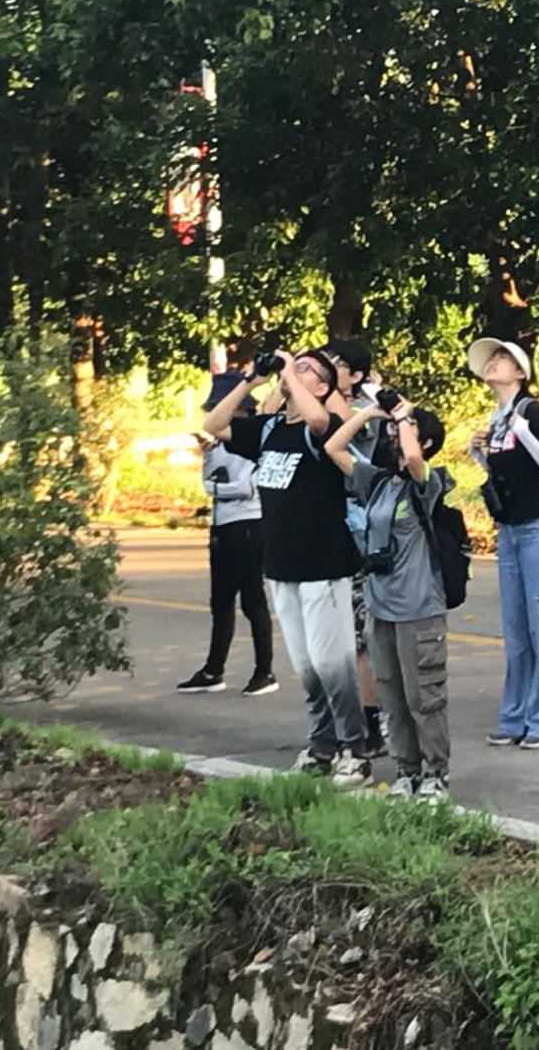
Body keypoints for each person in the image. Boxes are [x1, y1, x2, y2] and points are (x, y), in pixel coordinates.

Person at [203, 349, 371, 788]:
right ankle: (322, 747)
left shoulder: (323, 427)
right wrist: (251, 380)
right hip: (281, 566)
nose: (294, 371)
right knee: (306, 665)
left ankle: (355, 750)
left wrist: (289, 369)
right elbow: (214, 426)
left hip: (323, 564)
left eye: (307, 369)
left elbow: (317, 419)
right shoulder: (270, 429)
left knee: (333, 663)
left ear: (323, 387)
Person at [324, 394, 455, 801]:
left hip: (419, 608)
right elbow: (334, 448)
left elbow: (414, 459)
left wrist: (404, 417)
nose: (397, 434)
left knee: (423, 697)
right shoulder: (379, 482)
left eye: (408, 429)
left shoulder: (428, 483)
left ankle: (436, 773)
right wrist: (369, 412)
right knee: (392, 698)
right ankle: (407, 770)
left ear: (425, 440)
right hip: (381, 608)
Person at [468, 336, 539, 750]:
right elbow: (503, 475)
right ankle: (514, 718)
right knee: (516, 629)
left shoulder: (531, 412)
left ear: (520, 372)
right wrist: (480, 454)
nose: (493, 363)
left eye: (502, 358)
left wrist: (523, 432)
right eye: (491, 358)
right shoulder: (497, 418)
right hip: (509, 530)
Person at [178, 372, 278, 697]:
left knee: (252, 599)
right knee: (220, 601)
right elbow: (208, 484)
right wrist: (222, 486)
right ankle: (213, 670)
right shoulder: (215, 446)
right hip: (222, 524)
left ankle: (264, 671)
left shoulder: (256, 438)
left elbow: (249, 486)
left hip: (250, 523)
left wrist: (222, 488)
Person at [323, 336, 387, 757]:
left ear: (357, 374)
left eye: (336, 364)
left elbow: (343, 430)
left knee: (359, 636)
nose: (326, 369)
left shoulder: (364, 409)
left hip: (359, 532)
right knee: (331, 635)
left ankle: (370, 721)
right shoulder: (320, 406)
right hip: (325, 528)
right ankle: (338, 720)